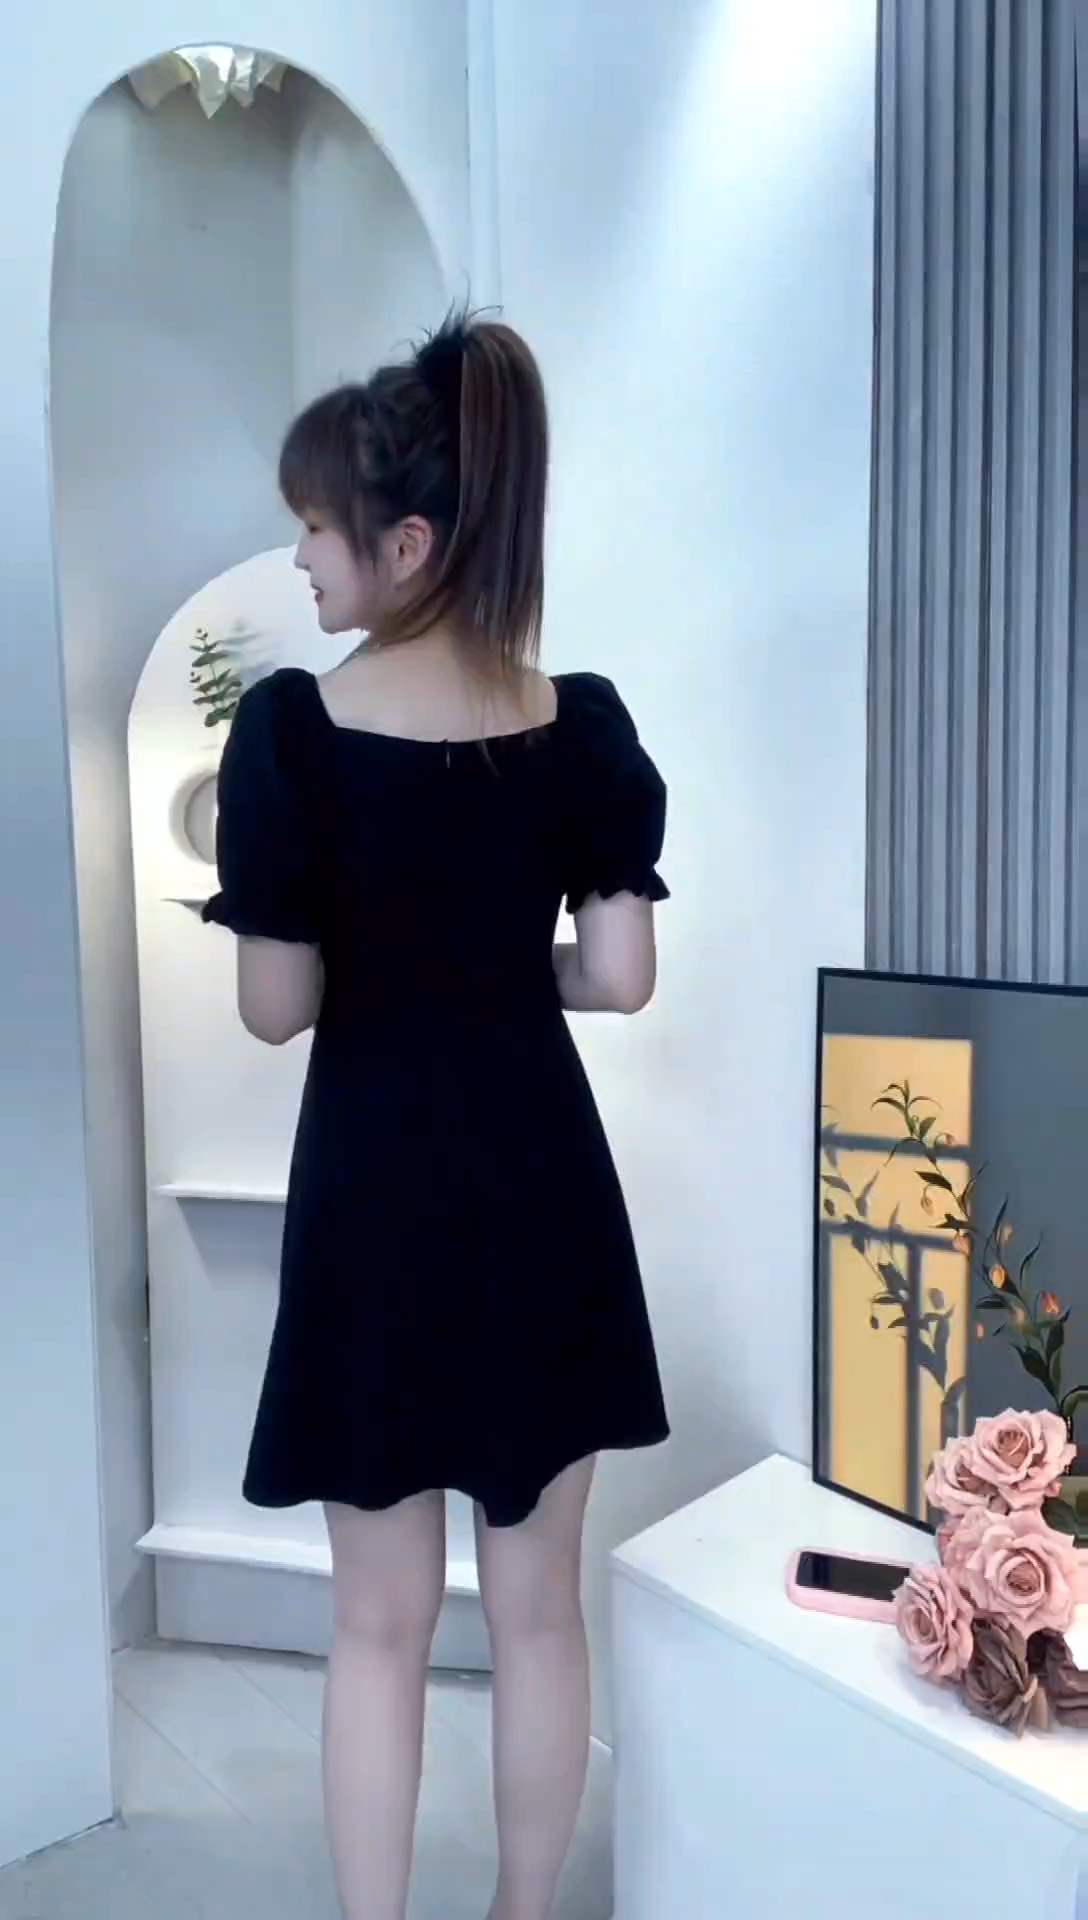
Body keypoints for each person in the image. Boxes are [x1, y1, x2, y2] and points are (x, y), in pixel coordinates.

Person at [203, 311, 670, 1920]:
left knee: (377, 1626)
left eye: (314, 531)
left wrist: (392, 967)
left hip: (378, 1196)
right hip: (542, 1185)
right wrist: (489, 965)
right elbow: (621, 976)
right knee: (540, 1613)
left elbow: (277, 1006)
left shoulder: (293, 732)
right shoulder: (580, 722)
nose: (300, 560)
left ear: (404, 543)